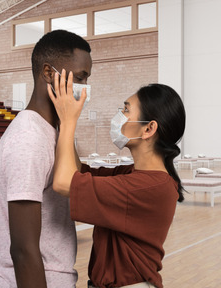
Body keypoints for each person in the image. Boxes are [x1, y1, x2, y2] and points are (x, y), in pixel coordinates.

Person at [47, 70, 186, 288]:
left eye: (126, 110)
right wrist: (64, 119)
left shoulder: (148, 187)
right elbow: (76, 172)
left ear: (149, 129)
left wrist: (68, 121)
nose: (119, 116)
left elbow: (64, 182)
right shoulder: (133, 175)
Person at [0, 30, 92, 288]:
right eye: (80, 78)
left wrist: (68, 121)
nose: (84, 88)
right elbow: (23, 250)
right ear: (48, 73)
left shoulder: (54, 131)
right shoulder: (28, 138)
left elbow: (76, 184)